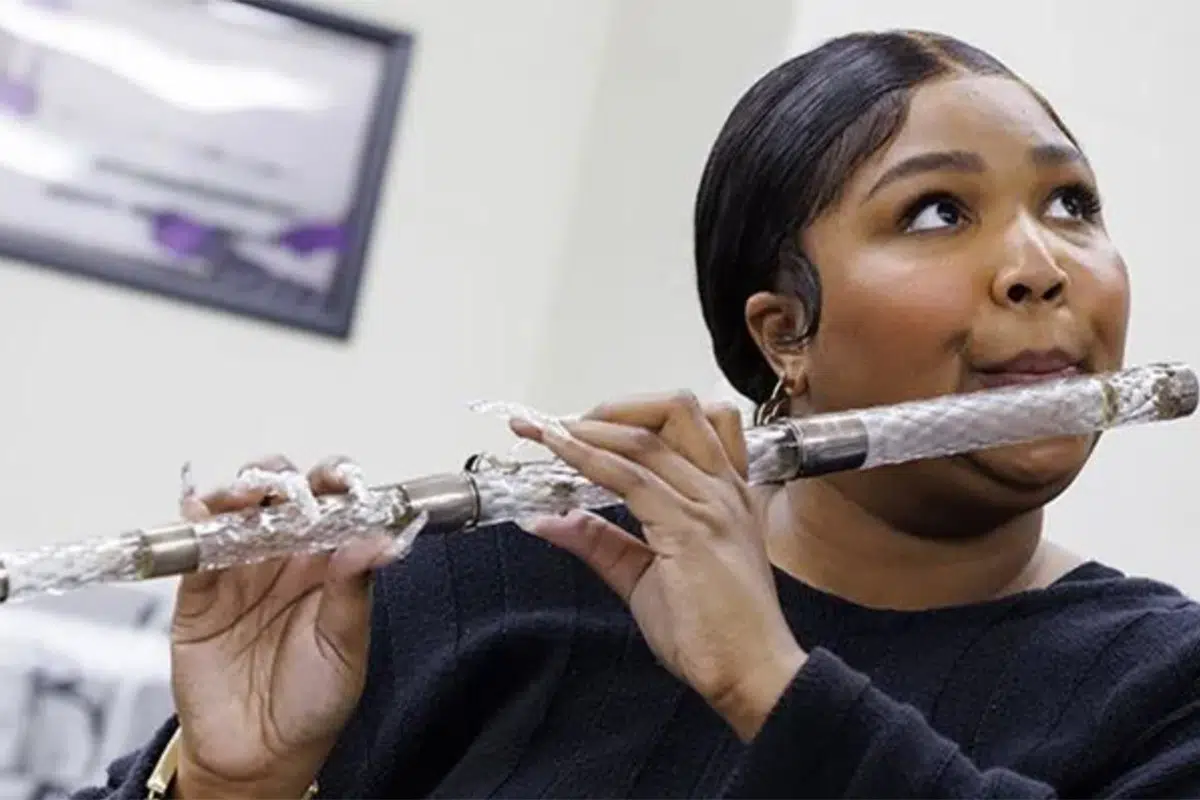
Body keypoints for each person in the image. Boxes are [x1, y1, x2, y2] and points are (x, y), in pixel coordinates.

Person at [75, 29, 1200, 799]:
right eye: (939, 209)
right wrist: (237, 781)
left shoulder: (1164, 686)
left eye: (1072, 204)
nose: (1040, 264)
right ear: (782, 334)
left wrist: (770, 680)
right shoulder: (481, 590)